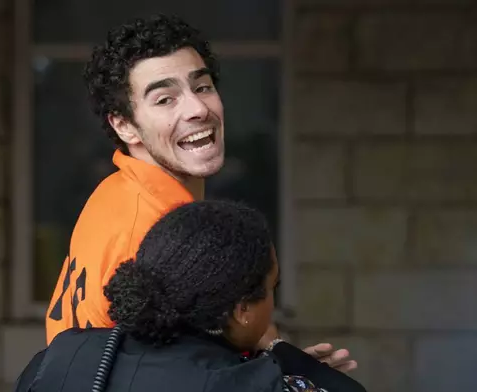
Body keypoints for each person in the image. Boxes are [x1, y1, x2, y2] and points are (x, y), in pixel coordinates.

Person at [44, 13, 356, 372]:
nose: (197, 109)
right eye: (165, 99)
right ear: (125, 125)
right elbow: (175, 374)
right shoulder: (156, 229)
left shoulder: (119, 190)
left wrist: (281, 363)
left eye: (202, 87)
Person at [20, 201, 366, 392]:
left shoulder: (63, 353)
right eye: (271, 288)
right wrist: (280, 351)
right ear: (243, 308)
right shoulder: (243, 383)